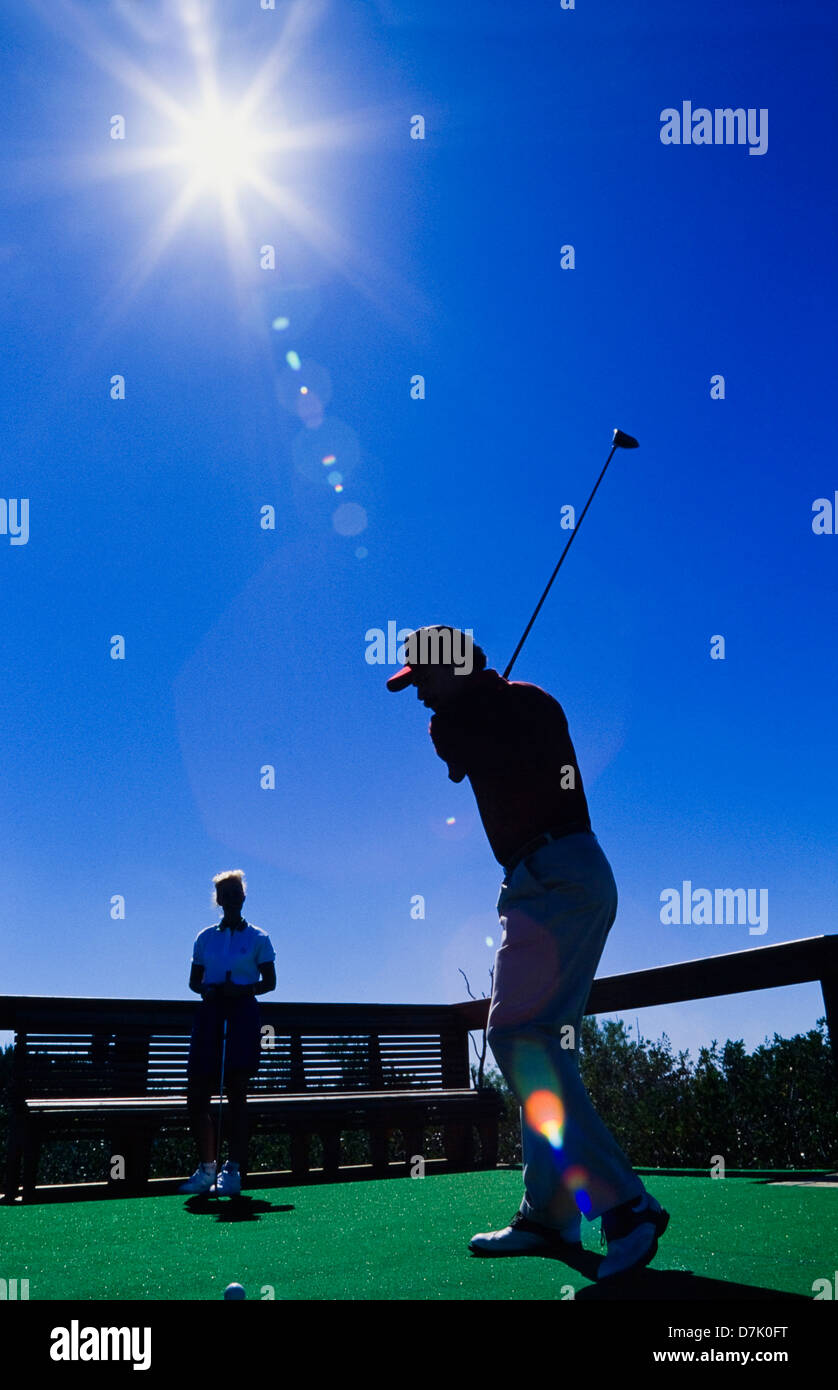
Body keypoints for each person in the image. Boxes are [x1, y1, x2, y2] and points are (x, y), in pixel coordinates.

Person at [387, 626, 669, 1279]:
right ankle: (548, 1213)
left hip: (560, 870)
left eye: (423, 679)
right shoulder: (464, 718)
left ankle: (626, 1206)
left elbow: (494, 745)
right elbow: (459, 758)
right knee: (538, 1047)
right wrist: (461, 716)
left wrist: (474, 708)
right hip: (535, 881)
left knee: (515, 1035)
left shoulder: (528, 704)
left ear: (455, 669)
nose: (419, 695)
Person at [179, 870, 276, 1197]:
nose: (231, 898)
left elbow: (270, 982)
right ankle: (206, 1169)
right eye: (225, 893)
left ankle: (232, 1170)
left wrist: (243, 990)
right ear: (218, 900)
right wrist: (209, 990)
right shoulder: (205, 937)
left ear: (243, 897)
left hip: (243, 1013)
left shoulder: (259, 937)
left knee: (236, 1089)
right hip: (211, 1012)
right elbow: (194, 981)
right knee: (198, 1091)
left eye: (236, 892)